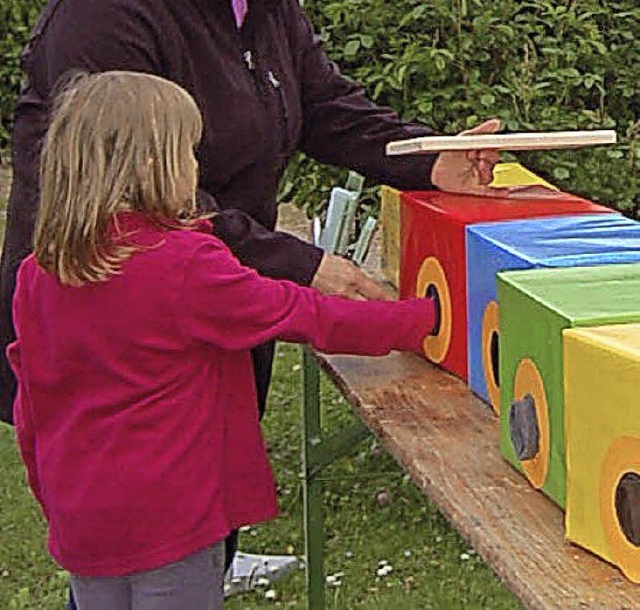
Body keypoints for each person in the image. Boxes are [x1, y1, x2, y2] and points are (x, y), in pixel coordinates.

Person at [0, 0, 503, 591]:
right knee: (146, 495)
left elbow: (318, 100)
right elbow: (133, 188)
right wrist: (305, 267)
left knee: (193, 474)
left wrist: (424, 158)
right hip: (117, 291)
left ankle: (198, 559)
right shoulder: (105, 5)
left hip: (201, 274)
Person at [7, 70, 440, 610]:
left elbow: (32, 405)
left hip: (81, 516)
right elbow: (304, 314)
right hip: (171, 517)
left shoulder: (38, 274)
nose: (195, 166)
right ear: (152, 165)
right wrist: (424, 319)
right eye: (189, 151)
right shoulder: (184, 266)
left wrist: (52, 494)